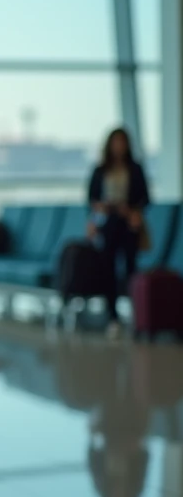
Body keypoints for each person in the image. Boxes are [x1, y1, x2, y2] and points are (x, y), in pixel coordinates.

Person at [87, 127, 149, 338]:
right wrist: (99, 211)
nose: (119, 146)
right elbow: (91, 199)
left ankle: (136, 314)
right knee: (108, 269)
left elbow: (145, 198)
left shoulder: (135, 169)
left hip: (128, 224)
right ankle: (112, 316)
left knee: (131, 268)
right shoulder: (100, 170)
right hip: (108, 224)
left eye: (122, 142)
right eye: (116, 142)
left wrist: (132, 211)